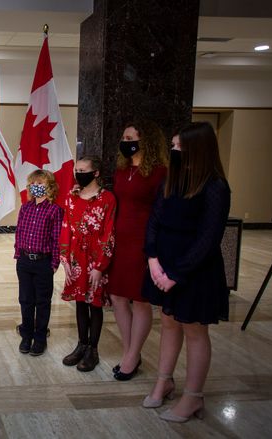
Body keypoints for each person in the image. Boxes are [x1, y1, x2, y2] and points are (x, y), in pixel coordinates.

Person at [141, 122, 230, 422]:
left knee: (194, 330)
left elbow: (208, 238)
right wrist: (153, 259)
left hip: (193, 271)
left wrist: (175, 274)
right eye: (173, 146)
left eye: (180, 147)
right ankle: (163, 381)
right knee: (167, 324)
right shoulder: (171, 180)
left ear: (198, 149)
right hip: (163, 264)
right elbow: (154, 221)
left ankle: (193, 397)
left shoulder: (215, 186)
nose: (174, 151)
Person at [108, 120, 168, 381]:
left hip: (143, 241)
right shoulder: (121, 171)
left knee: (141, 300)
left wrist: (154, 248)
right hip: (119, 240)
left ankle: (132, 356)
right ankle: (129, 349)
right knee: (118, 298)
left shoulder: (159, 172)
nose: (126, 141)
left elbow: (162, 211)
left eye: (131, 137)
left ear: (146, 142)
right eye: (124, 136)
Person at [60, 156, 116, 372]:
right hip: (76, 258)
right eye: (76, 169)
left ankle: (93, 349)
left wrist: (100, 266)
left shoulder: (107, 198)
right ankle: (81, 344)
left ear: (96, 173)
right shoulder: (71, 197)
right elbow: (66, 227)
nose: (78, 173)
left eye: (83, 170)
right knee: (80, 302)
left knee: (95, 304)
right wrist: (65, 258)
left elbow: (109, 232)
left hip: (95, 260)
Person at [14, 169, 63, 356]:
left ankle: (40, 338)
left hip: (43, 263)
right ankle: (26, 335)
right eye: (34, 184)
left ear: (49, 187)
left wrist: (53, 264)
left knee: (42, 302)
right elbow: (19, 233)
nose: (37, 187)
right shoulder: (25, 208)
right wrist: (18, 254)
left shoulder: (55, 211)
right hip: (25, 261)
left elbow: (56, 239)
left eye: (41, 184)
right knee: (25, 300)